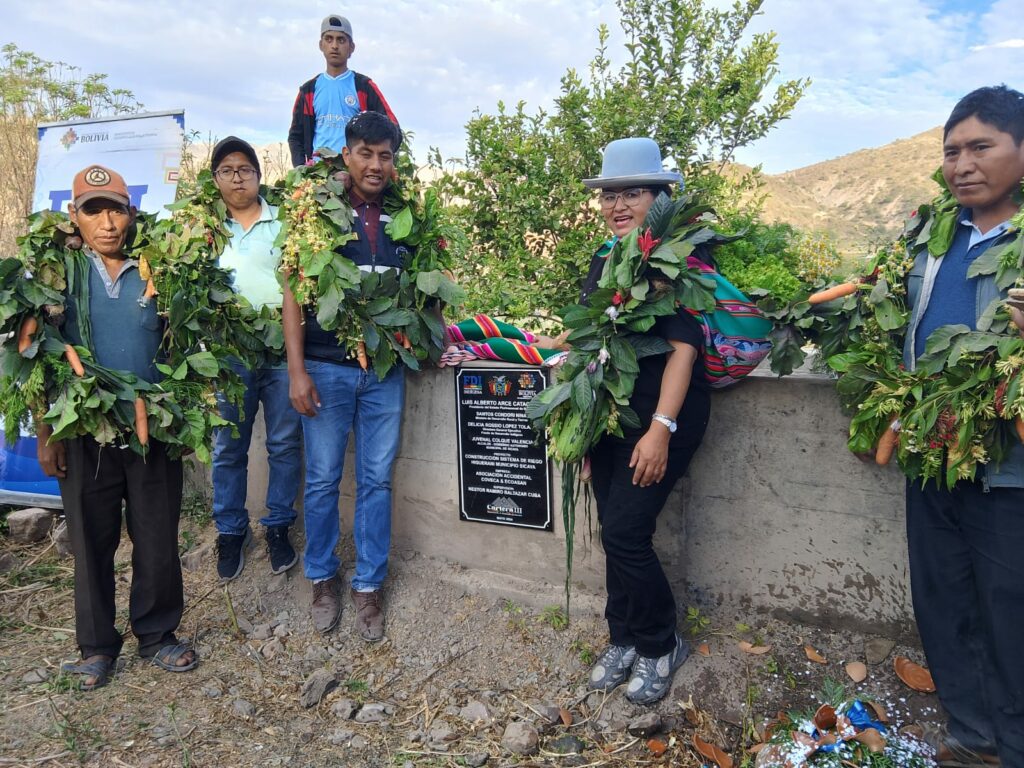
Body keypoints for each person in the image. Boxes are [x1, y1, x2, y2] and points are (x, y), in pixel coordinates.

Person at [901, 85, 1024, 767]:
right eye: (952, 151)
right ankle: (972, 735)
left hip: (1009, 466)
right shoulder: (932, 240)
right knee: (942, 598)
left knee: (1010, 610)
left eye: (981, 147)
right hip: (932, 451)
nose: (963, 164)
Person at [37, 165, 196, 690]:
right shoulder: (55, 276)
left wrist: (184, 415)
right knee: (91, 539)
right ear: (74, 215)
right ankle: (97, 646)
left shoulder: (161, 270)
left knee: (157, 534)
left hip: (153, 430)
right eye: (93, 210)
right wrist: (46, 433)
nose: (107, 223)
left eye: (117, 210)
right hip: (83, 430)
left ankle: (157, 633)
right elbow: (39, 358)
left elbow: (182, 347)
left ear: (132, 213)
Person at [576, 138, 710, 704]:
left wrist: (660, 429)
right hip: (612, 416)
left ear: (659, 199)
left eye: (632, 193)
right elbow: (594, 340)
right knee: (614, 528)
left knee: (626, 533)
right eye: (610, 195)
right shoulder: (605, 258)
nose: (618, 205)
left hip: (662, 417)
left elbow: (683, 349)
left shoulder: (677, 259)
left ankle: (660, 643)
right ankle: (623, 636)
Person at [283, 112, 405, 641]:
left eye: (385, 156)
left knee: (377, 480)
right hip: (325, 369)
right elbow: (294, 292)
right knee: (322, 479)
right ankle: (321, 577)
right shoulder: (318, 213)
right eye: (366, 154)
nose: (375, 165)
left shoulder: (406, 214)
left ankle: (369, 584)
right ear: (347, 155)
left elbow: (423, 286)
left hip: (385, 372)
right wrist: (297, 371)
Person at [209, 137, 303, 581]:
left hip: (282, 350)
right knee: (229, 446)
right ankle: (231, 530)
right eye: (227, 170)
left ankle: (278, 526)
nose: (237, 178)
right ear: (216, 179)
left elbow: (298, 281)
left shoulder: (282, 222)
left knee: (284, 444)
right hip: (230, 353)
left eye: (245, 169)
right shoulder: (205, 228)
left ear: (259, 176)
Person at [287, 14, 398, 168]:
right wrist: (301, 169)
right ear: (321, 45)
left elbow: (393, 128)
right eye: (329, 39)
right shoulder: (308, 91)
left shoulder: (364, 87)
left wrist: (376, 162)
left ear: (351, 47)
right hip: (319, 173)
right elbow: (295, 136)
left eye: (341, 40)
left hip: (355, 172)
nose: (334, 46)